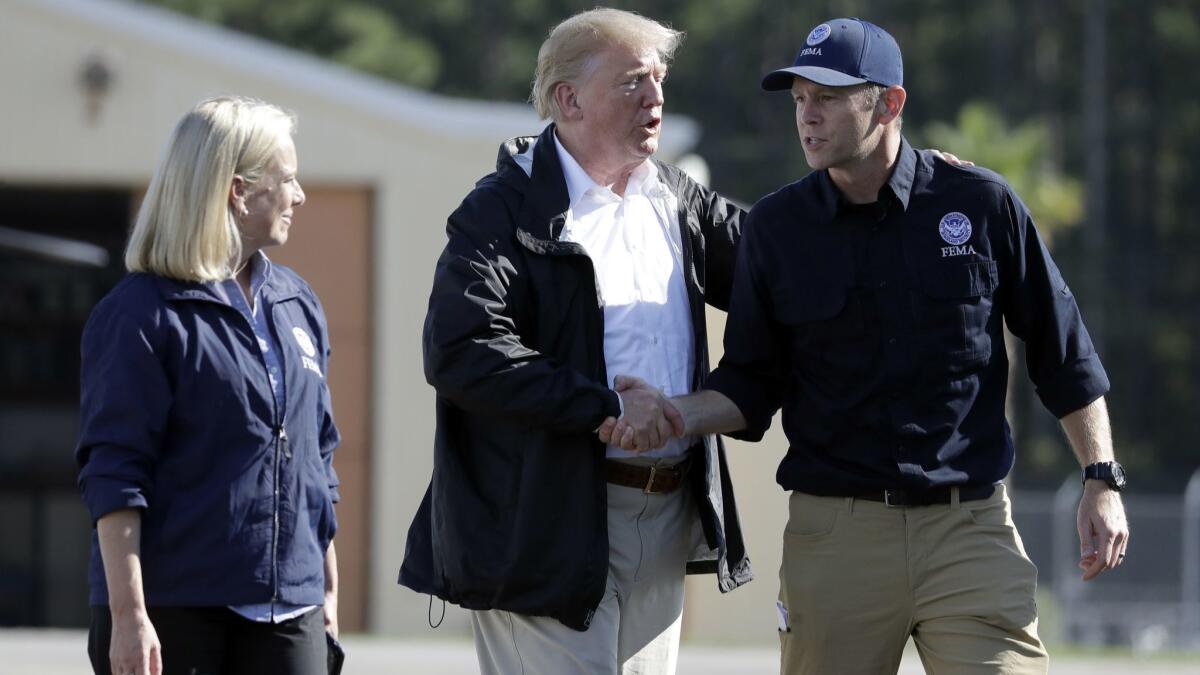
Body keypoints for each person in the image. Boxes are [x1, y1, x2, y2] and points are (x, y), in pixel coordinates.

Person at [605, 17, 1130, 675]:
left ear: (888, 103)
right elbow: (749, 383)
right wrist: (674, 412)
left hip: (969, 530)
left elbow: (1064, 352)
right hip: (835, 539)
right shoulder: (776, 228)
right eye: (798, 98)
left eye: (827, 96)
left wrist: (1101, 479)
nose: (807, 114)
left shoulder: (982, 204)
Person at [397, 8, 753, 675]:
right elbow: (463, 349)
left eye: (659, 81)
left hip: (666, 511)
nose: (656, 99)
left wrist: (909, 179)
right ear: (568, 99)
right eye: (632, 83)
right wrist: (603, 408)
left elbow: (788, 262)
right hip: (546, 520)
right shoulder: (502, 210)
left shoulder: (677, 201)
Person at [76, 96, 341, 675]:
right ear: (237, 192)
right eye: (287, 181)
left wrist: (325, 591)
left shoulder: (298, 303)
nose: (299, 196)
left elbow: (318, 458)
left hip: (289, 611)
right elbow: (115, 474)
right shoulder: (140, 315)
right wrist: (129, 616)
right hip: (174, 613)